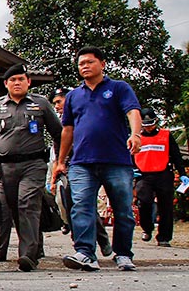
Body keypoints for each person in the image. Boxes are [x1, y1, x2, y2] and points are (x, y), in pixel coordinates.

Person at [53, 46, 142, 272]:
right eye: (81, 63)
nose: (84, 66)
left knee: (122, 208)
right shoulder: (73, 96)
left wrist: (135, 134)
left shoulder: (119, 88)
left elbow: (132, 111)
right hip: (82, 162)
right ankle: (85, 253)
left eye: (89, 62)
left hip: (117, 160)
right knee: (81, 207)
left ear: (102, 64)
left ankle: (123, 253)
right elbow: (67, 130)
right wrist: (60, 161)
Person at [0, 63, 62, 272]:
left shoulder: (41, 104)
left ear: (28, 82)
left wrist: (60, 161)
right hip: (5, 167)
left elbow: (58, 133)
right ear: (6, 84)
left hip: (33, 164)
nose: (17, 83)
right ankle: (33, 247)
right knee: (9, 208)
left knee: (27, 204)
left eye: (21, 79)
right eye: (13, 80)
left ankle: (27, 255)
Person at [49, 87, 112, 257]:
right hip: (69, 166)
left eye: (59, 102)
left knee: (85, 204)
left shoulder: (84, 117)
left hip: (87, 163)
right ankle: (80, 242)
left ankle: (100, 238)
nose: (57, 106)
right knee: (71, 204)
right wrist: (57, 166)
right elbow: (58, 143)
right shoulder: (61, 122)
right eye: (55, 103)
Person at [134, 107, 188, 247]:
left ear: (156, 121)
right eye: (145, 125)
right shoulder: (136, 137)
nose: (149, 128)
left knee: (166, 207)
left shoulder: (166, 135)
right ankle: (147, 228)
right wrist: (131, 169)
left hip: (163, 174)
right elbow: (130, 155)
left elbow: (176, 155)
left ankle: (164, 237)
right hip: (143, 175)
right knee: (144, 202)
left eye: (151, 124)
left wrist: (182, 174)